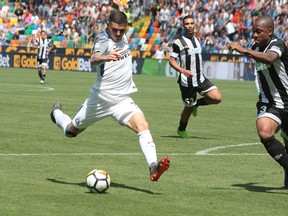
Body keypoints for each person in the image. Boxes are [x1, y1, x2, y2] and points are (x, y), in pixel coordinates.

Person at [50, 0, 170, 182]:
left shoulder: (122, 33)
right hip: (100, 100)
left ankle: (153, 167)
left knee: (143, 126)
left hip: (122, 100)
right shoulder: (103, 39)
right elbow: (94, 59)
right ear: (108, 26)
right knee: (71, 131)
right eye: (115, 29)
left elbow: (122, 15)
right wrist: (107, 57)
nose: (119, 33)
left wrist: (119, 6)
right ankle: (56, 113)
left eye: (122, 30)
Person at [228, 15, 288, 189]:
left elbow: (270, 58)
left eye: (258, 31)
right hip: (269, 103)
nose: (254, 35)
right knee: (264, 131)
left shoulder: (277, 45)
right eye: (253, 31)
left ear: (270, 31)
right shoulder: (257, 46)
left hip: (286, 101)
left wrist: (243, 50)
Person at [169, 15, 222, 139]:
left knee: (217, 98)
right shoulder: (178, 42)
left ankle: (196, 104)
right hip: (187, 82)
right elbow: (171, 60)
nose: (190, 26)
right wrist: (182, 70)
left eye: (192, 23)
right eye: (187, 24)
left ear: (194, 24)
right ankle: (181, 129)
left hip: (200, 78)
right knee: (187, 108)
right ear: (183, 26)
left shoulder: (197, 39)